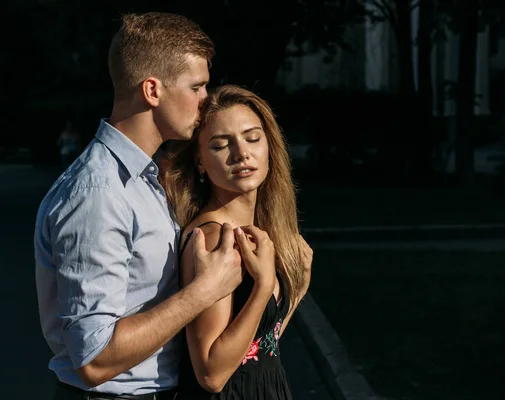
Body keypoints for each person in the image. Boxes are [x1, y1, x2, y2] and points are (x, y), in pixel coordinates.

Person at [34, 12, 243, 400]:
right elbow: (94, 358)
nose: (206, 100)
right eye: (197, 87)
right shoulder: (99, 194)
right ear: (152, 91)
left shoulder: (142, 177)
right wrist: (205, 290)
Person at [160, 84, 313, 399]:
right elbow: (212, 374)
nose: (242, 153)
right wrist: (263, 286)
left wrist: (296, 291)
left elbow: (258, 348)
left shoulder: (257, 231)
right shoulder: (214, 239)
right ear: (200, 161)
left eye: (253, 138)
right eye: (220, 145)